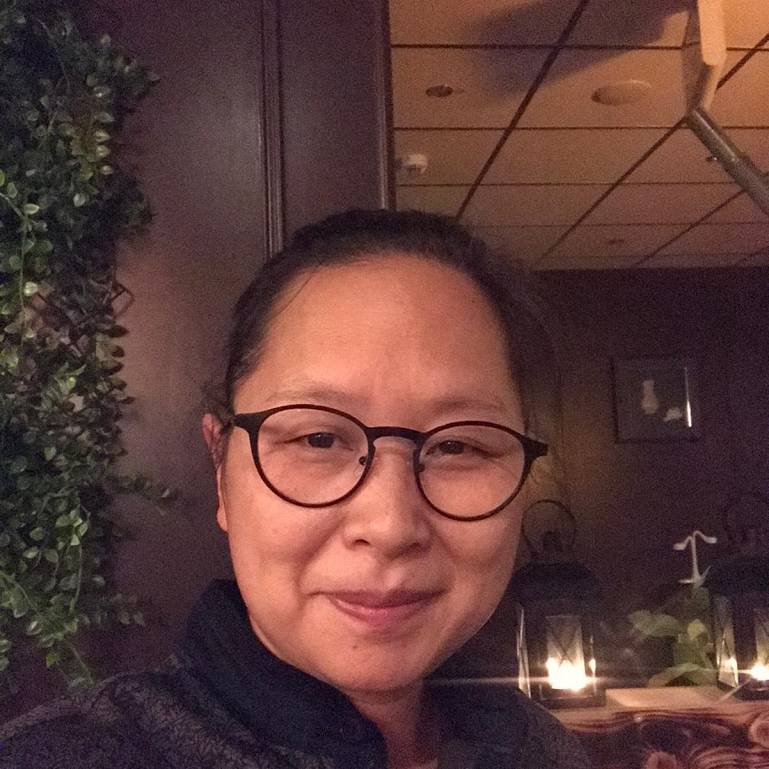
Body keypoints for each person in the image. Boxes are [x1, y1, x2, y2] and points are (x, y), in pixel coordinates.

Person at [0, 209, 590, 768]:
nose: (390, 525)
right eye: (318, 439)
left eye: (457, 447)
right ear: (221, 471)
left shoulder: (544, 749)